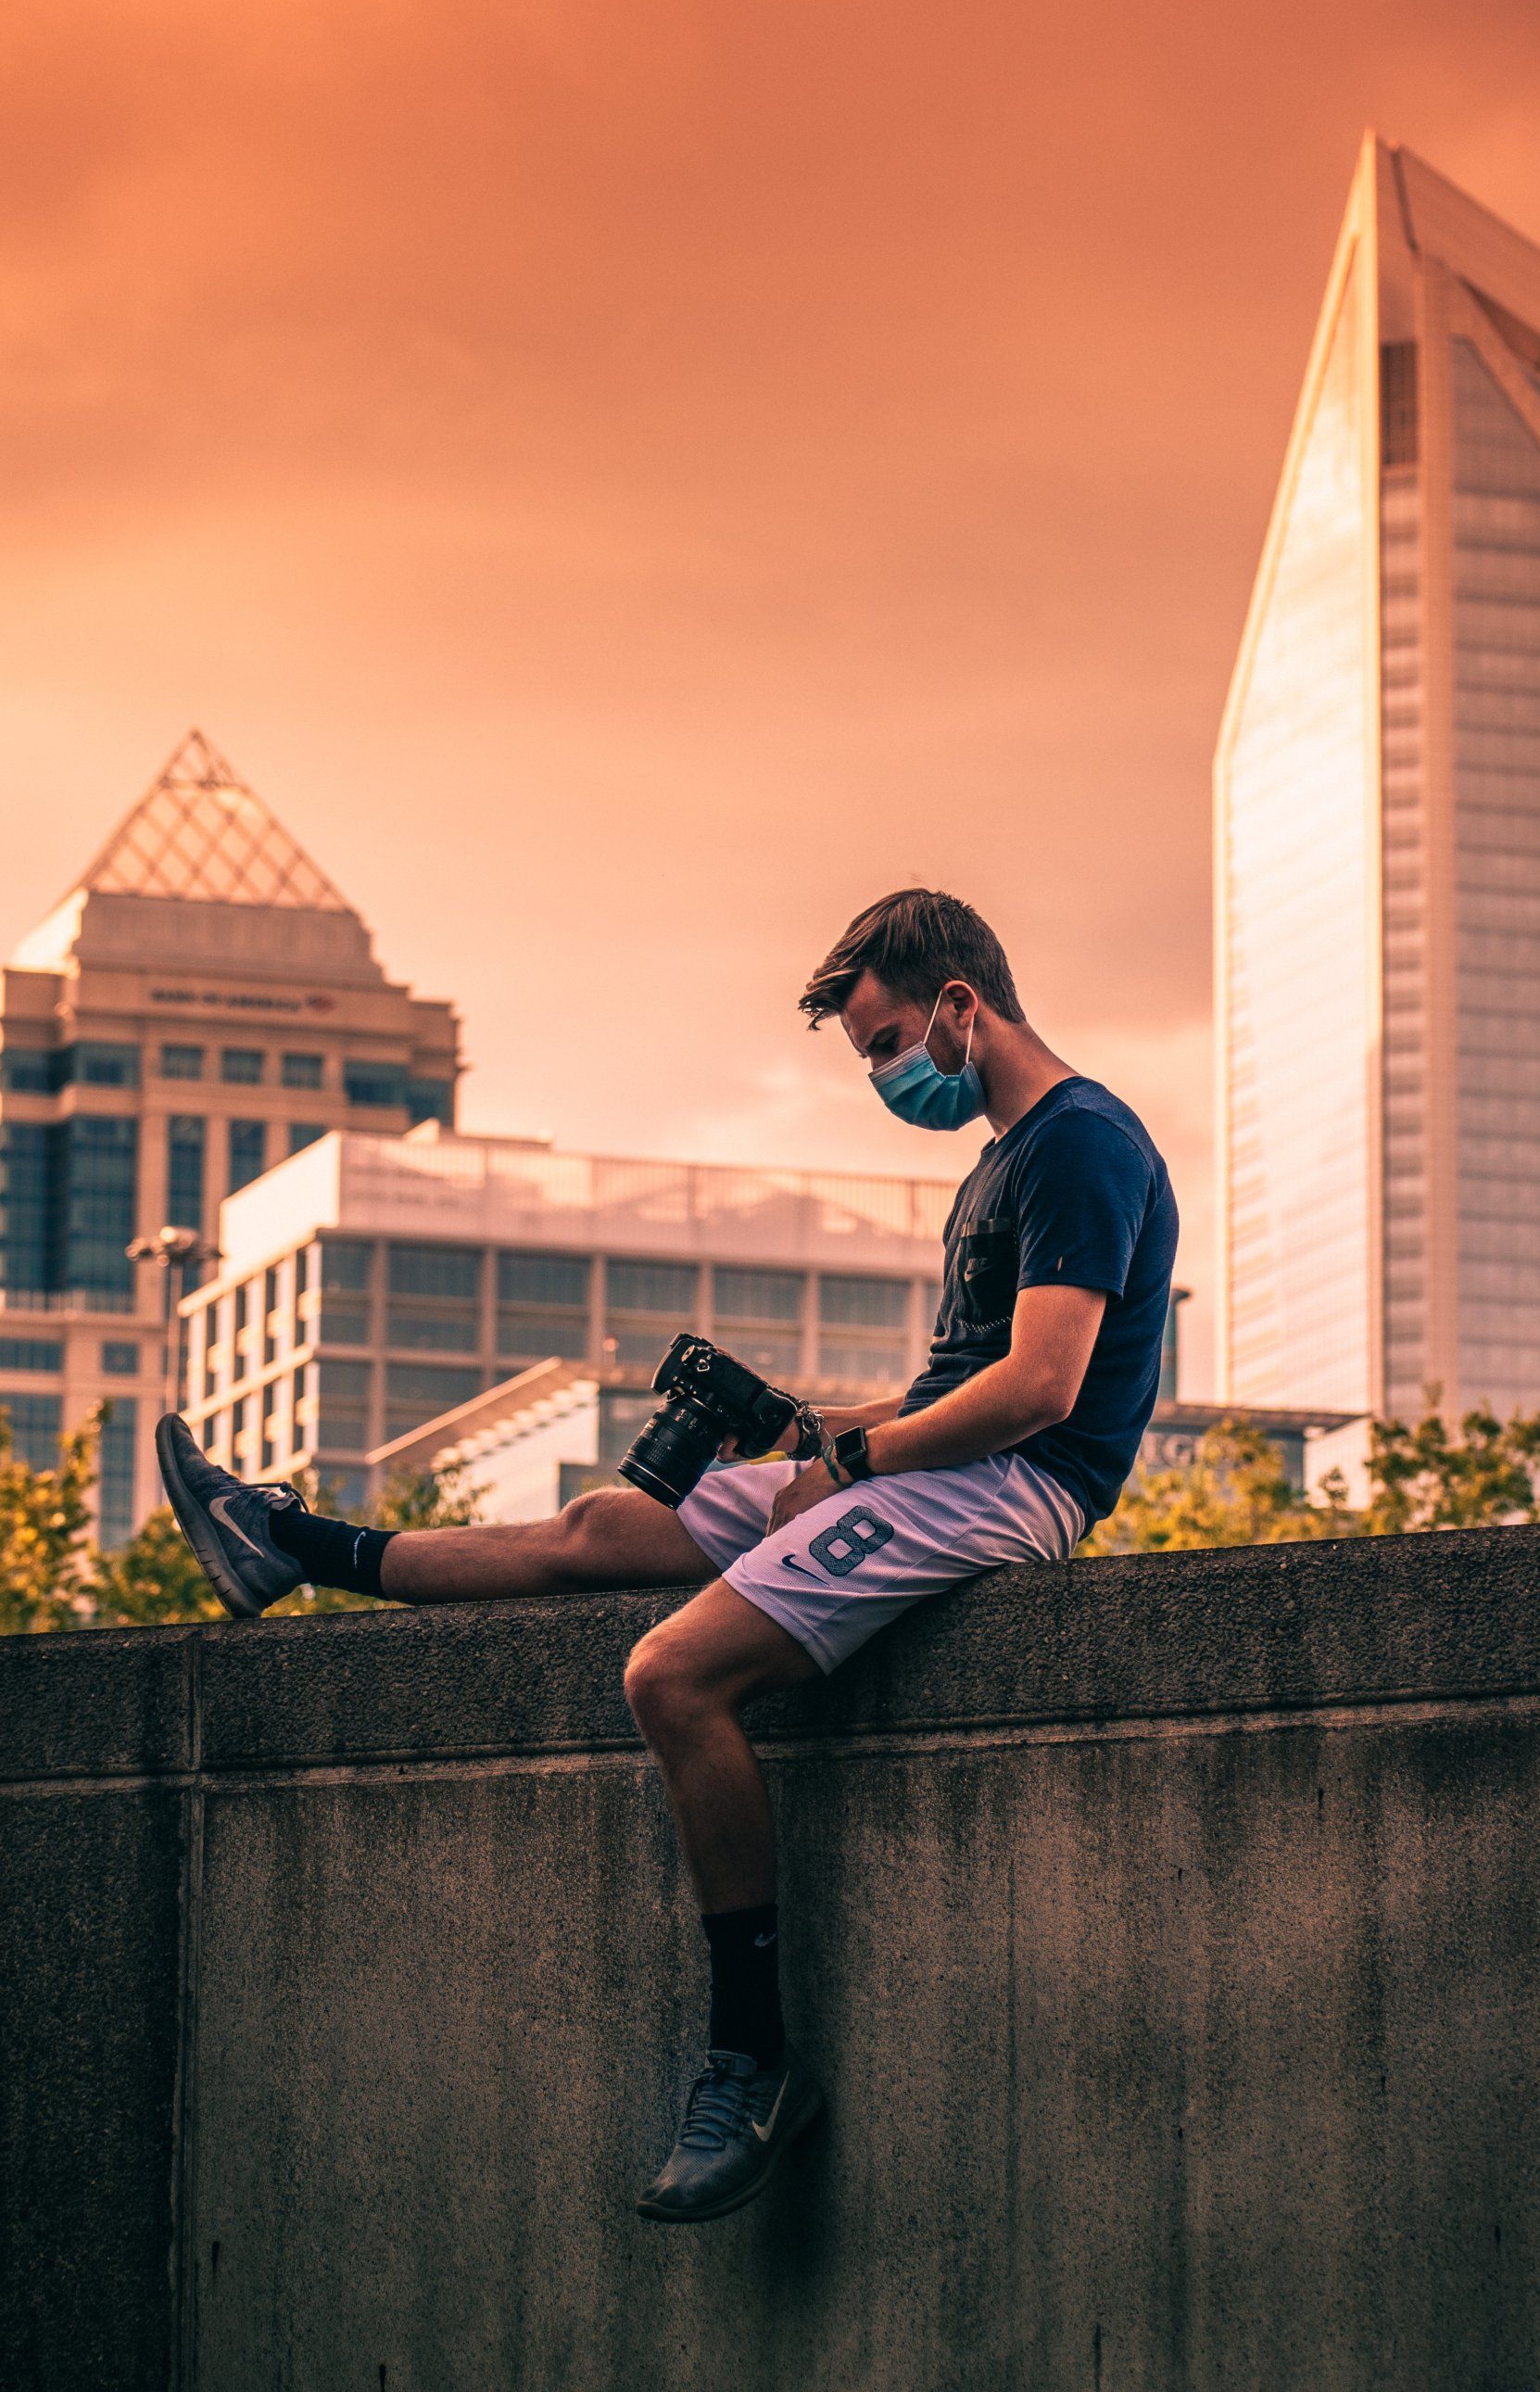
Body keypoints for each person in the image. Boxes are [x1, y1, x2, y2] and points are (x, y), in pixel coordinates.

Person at [153, 889, 1179, 2223]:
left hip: (1015, 1489)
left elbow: (1041, 1389)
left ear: (961, 1008)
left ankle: (752, 2062)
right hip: (945, 1459)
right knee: (605, 1529)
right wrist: (808, 1426)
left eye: (883, 1045)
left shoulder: (1080, 1144)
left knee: (671, 1679)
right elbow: (945, 1385)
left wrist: (850, 1466)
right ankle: (282, 1540)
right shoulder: (999, 1163)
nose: (881, 1074)